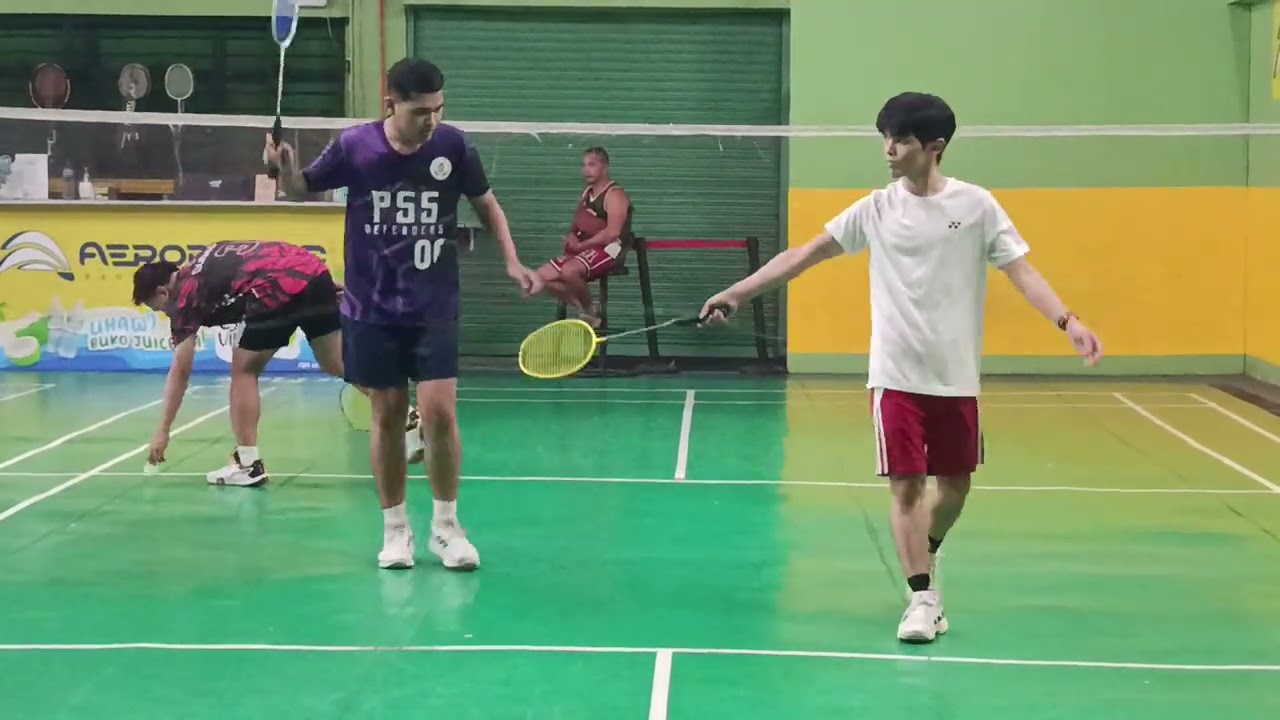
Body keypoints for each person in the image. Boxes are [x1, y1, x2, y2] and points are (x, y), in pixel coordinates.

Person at [699, 92, 1103, 644]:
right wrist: (737, 293)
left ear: (934, 147)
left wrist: (1068, 321)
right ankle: (922, 598)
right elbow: (803, 254)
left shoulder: (977, 206)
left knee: (955, 487)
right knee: (906, 487)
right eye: (885, 137)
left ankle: (927, 549)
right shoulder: (875, 208)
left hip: (956, 374)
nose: (888, 150)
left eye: (902, 140)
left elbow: (1022, 272)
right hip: (894, 375)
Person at [264, 57, 541, 572]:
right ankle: (395, 531)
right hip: (371, 307)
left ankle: (446, 527)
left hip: (434, 303)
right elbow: (301, 187)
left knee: (439, 414)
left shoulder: (453, 146)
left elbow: (487, 205)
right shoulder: (355, 146)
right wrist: (282, 168)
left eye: (438, 109)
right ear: (390, 103)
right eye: (421, 112)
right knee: (387, 417)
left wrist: (511, 258)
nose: (431, 121)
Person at [133, 240, 424, 487]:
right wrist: (323, 286)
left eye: (156, 307)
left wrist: (163, 430)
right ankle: (408, 416)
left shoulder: (184, 297)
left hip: (276, 290)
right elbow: (267, 256)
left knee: (244, 369)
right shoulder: (206, 258)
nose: (162, 312)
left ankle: (248, 464)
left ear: (162, 292)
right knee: (335, 361)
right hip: (312, 273)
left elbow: (181, 372)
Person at [534, 147, 633, 327]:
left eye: (592, 165)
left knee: (569, 271)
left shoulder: (615, 194)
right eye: (584, 165)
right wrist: (572, 238)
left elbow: (613, 232)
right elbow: (577, 223)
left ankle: (588, 310)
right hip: (585, 248)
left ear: (605, 167)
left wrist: (582, 245)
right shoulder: (586, 193)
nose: (586, 170)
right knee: (541, 277)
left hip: (610, 249)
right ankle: (587, 309)